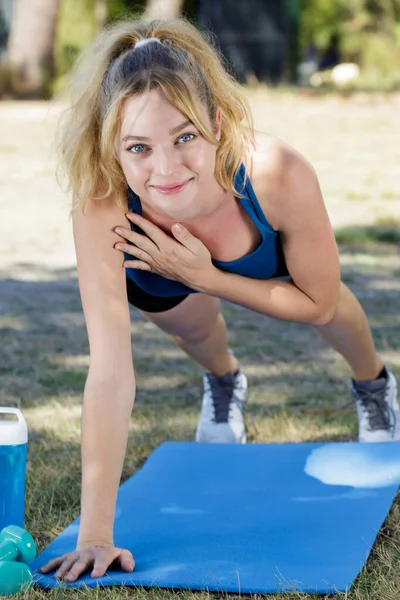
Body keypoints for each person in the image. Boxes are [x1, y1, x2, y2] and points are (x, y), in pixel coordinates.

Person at [40, 17, 399, 583]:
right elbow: (110, 372)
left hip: (256, 269)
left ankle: (373, 383)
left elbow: (319, 304)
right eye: (138, 147)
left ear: (217, 122)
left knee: (336, 319)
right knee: (196, 334)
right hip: (160, 271)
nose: (165, 168)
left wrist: (209, 276)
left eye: (184, 137)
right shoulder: (103, 208)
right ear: (111, 147)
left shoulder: (274, 171)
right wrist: (96, 535)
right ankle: (226, 382)